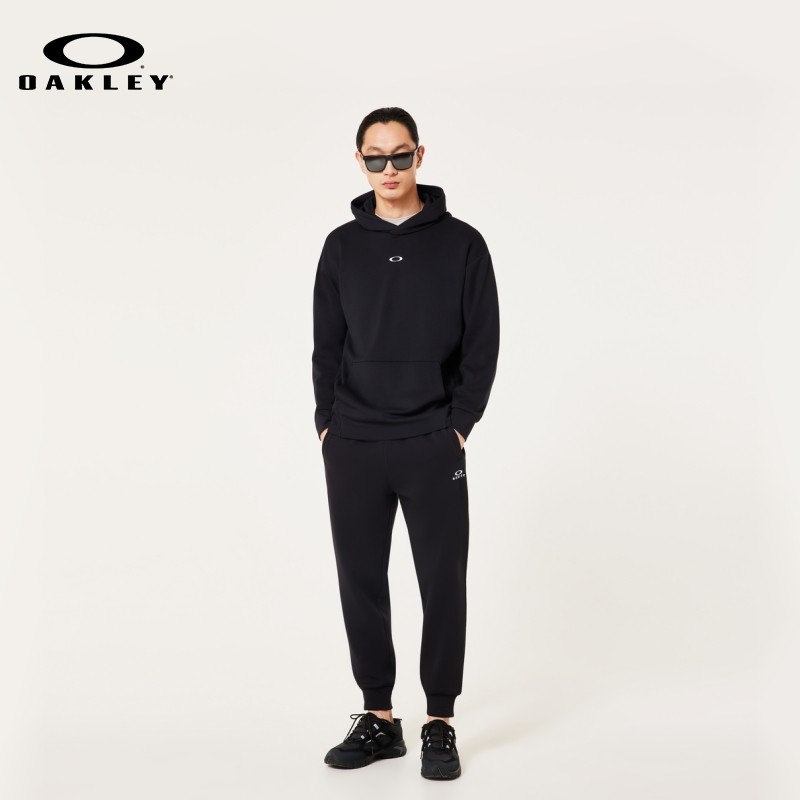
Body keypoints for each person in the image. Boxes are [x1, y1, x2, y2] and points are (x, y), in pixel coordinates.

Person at [311, 106, 500, 780]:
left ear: (420, 155)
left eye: (399, 155)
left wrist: (459, 424)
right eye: (375, 157)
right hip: (354, 442)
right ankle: (379, 716)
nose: (388, 169)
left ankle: (439, 719)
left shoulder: (463, 244)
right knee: (360, 580)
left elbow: (482, 343)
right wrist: (327, 423)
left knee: (441, 581)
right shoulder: (341, 246)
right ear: (359, 161)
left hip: (430, 441)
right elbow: (326, 345)